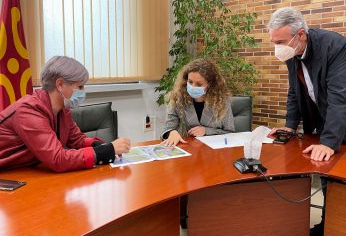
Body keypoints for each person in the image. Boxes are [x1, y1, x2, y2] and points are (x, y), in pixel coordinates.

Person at [267, 7, 346, 235]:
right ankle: (327, 225)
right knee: (327, 176)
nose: (277, 48)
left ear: (300, 34)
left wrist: (329, 142)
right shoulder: (291, 52)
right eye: (274, 42)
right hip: (327, 121)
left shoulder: (334, 45)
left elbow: (341, 97)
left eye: (281, 41)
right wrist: (290, 125)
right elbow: (294, 91)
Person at [0, 56, 131, 172]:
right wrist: (106, 151)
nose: (83, 91)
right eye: (80, 87)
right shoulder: (28, 110)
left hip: (25, 170)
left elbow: (77, 140)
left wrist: (105, 146)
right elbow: (57, 158)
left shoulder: (63, 109)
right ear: (60, 84)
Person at [161, 58, 235, 146]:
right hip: (189, 147)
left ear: (209, 85)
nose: (193, 86)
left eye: (199, 84)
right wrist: (171, 132)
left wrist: (207, 131)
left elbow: (230, 133)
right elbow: (168, 127)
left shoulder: (222, 101)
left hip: (213, 152)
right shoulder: (179, 98)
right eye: (190, 82)